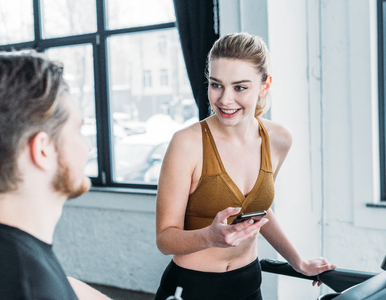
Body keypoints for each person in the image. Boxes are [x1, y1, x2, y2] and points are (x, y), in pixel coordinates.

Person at [155, 33, 336, 300]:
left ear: (264, 85)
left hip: (248, 284)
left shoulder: (278, 139)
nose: (225, 100)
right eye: (216, 85)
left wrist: (298, 262)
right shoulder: (186, 144)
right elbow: (164, 239)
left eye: (240, 87)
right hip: (192, 288)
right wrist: (209, 237)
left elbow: (258, 213)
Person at [0, 50, 110, 300]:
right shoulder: (31, 288)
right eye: (78, 130)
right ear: (43, 149)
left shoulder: (21, 262)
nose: (88, 147)